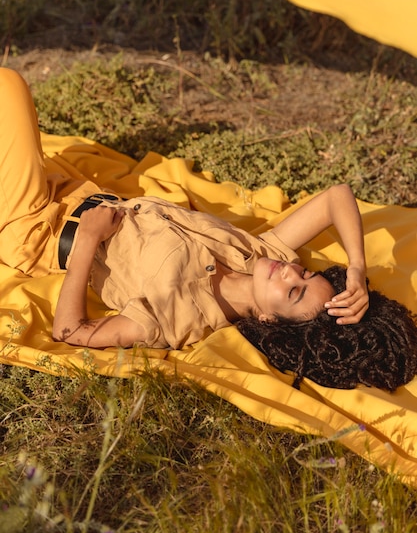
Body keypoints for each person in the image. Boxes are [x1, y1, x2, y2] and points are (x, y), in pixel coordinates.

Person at [1, 67, 416, 391]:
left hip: (32, 227)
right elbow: (336, 196)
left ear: (269, 321)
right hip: (69, 188)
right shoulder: (257, 252)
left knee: (8, 87)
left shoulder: (176, 320)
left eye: (293, 291)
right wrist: (357, 269)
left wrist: (89, 239)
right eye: (305, 274)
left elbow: (70, 332)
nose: (291, 271)